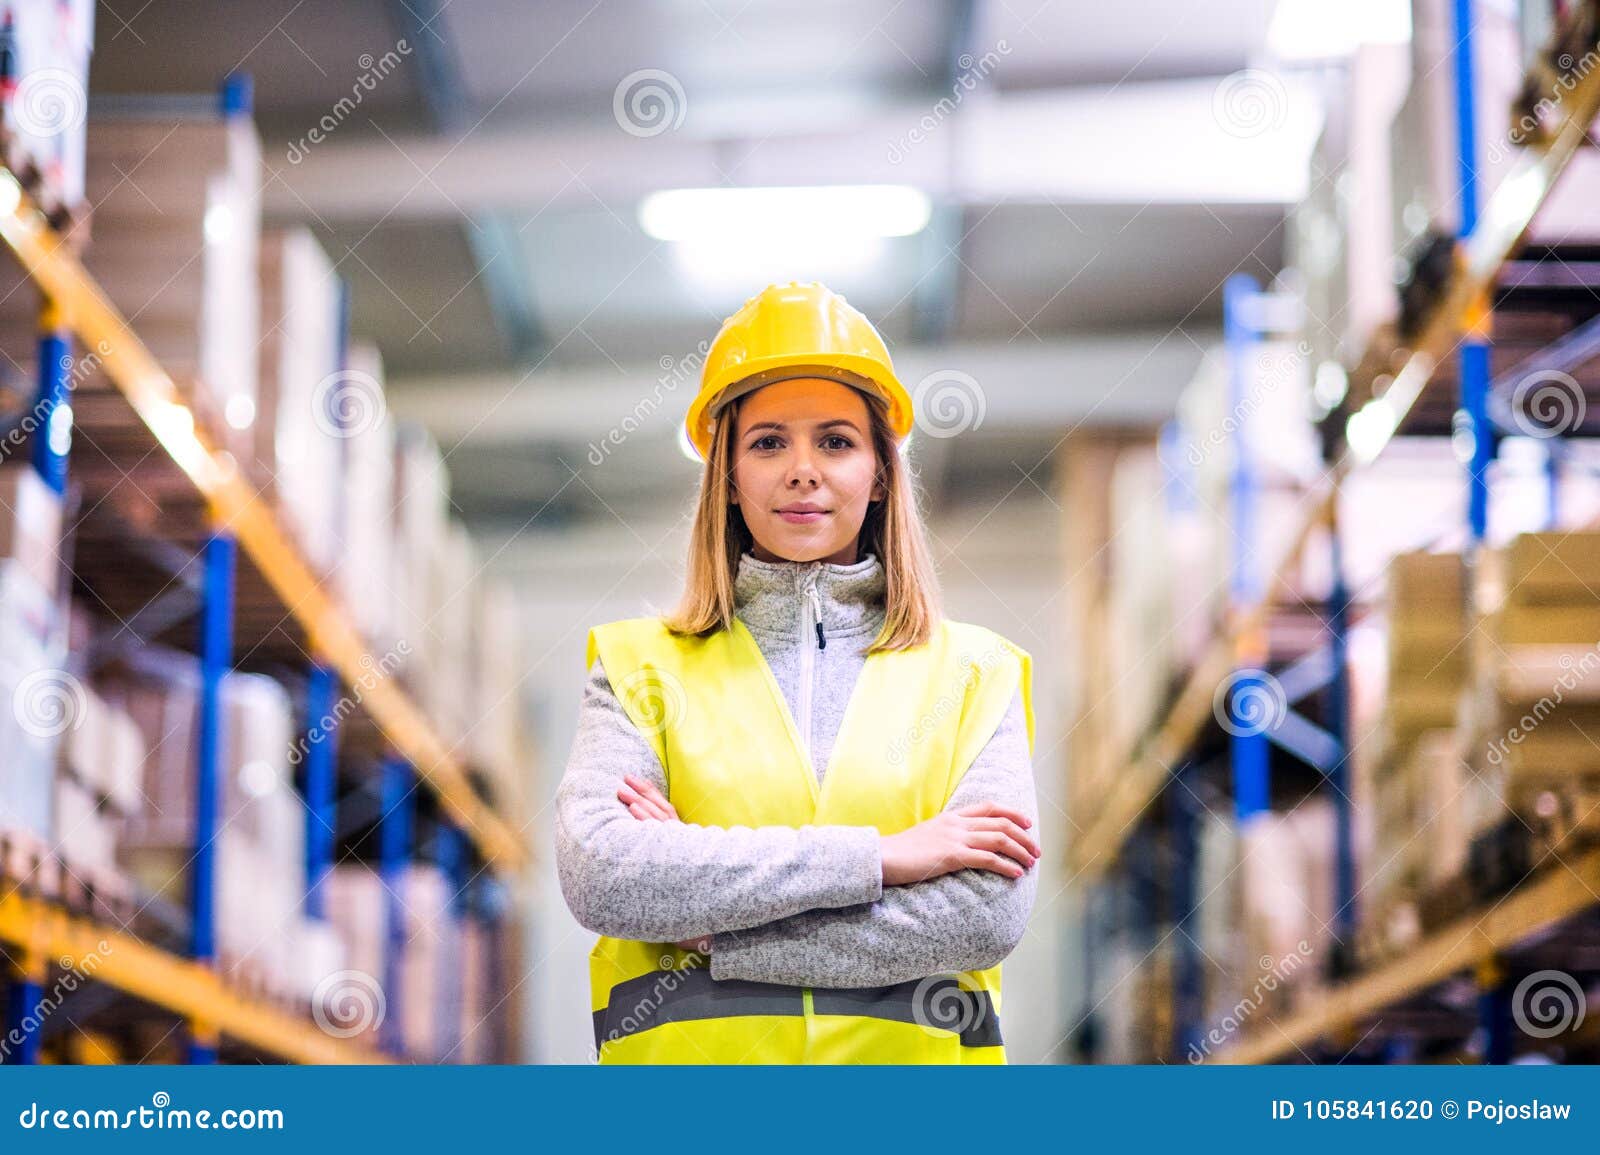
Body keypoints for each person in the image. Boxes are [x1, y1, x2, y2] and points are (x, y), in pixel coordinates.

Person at [556, 281, 1040, 1064]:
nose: (802, 470)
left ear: (881, 472)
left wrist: (712, 928)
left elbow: (983, 915)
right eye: (769, 441)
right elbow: (606, 877)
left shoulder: (974, 674)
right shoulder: (637, 666)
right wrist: (884, 858)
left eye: (838, 441)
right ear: (729, 476)